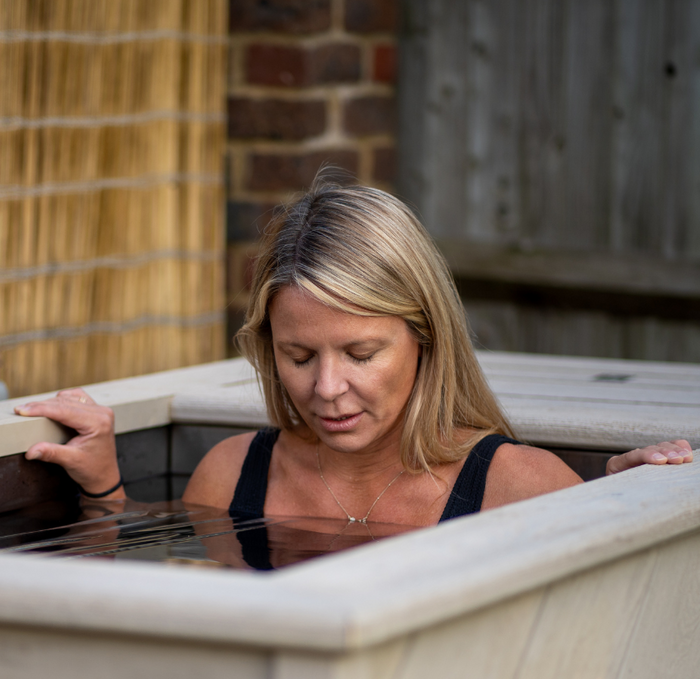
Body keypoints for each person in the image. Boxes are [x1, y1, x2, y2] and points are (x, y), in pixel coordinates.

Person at [14, 179, 694, 536]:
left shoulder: (518, 488)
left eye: (362, 352)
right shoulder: (227, 478)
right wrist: (106, 493)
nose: (328, 387)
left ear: (424, 338)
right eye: (299, 354)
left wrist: (616, 503)